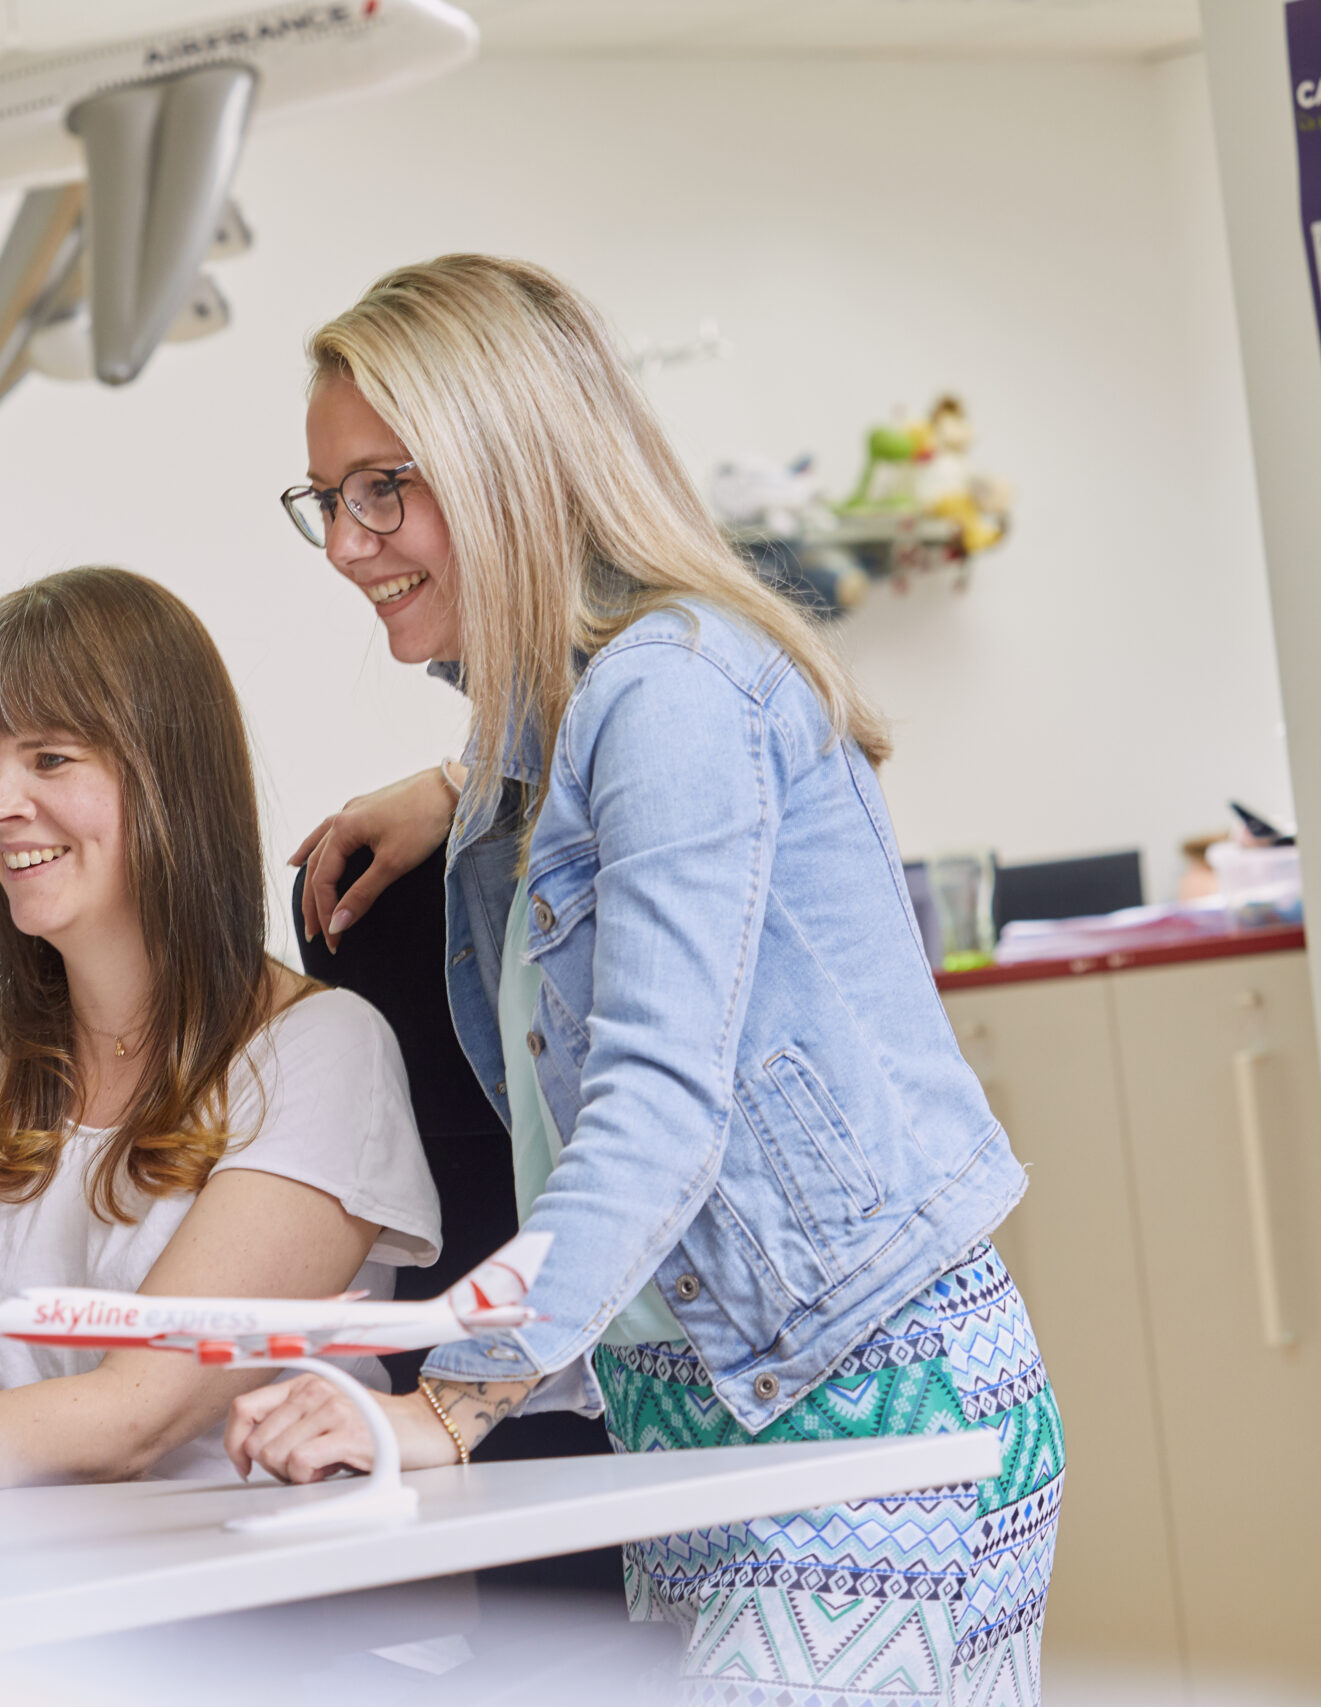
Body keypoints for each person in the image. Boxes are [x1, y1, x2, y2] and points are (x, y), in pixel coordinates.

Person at [227, 257, 1064, 1702]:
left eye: (384, 488)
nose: (348, 544)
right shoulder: (554, 725)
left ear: (506, 461)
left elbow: (658, 1112)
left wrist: (450, 1404)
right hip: (690, 1417)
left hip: (860, 1404)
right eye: (328, 499)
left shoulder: (673, 692)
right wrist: (454, 782)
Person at [0, 567, 440, 1495]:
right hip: (32, 1582)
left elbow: (133, 1414)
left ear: (168, 775)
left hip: (267, 1581)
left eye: (50, 758)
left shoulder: (323, 1051)